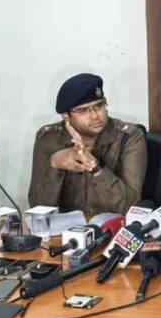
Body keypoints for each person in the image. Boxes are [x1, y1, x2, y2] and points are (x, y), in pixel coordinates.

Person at [28, 73, 147, 218]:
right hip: (65, 227)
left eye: (99, 106)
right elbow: (37, 206)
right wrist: (54, 164)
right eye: (82, 110)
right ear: (66, 116)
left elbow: (130, 206)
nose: (95, 115)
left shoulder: (129, 137)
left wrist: (95, 167)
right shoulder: (49, 139)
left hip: (112, 225)